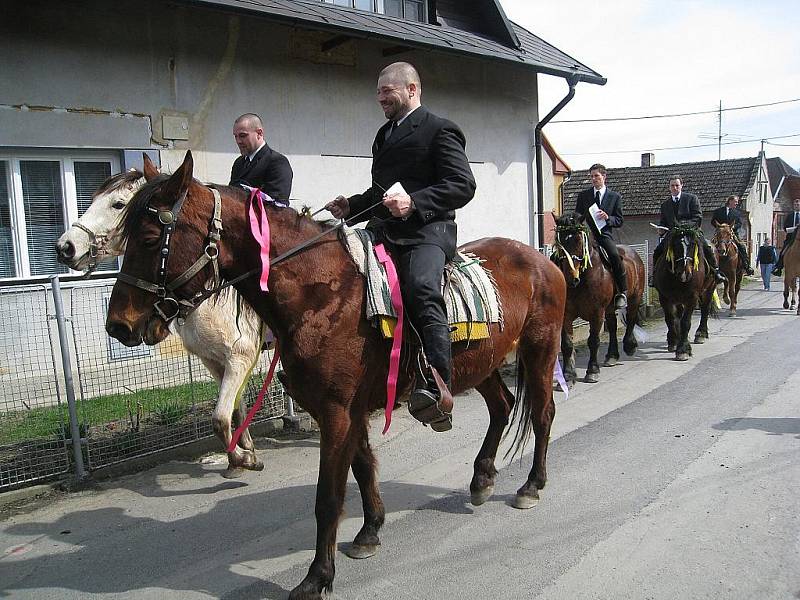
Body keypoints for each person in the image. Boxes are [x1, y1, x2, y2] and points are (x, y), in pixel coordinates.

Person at [326, 62, 476, 432]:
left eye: (387, 91)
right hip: (384, 229)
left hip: (427, 230)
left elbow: (463, 185)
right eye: (378, 92)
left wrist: (415, 201)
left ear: (411, 89)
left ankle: (439, 385)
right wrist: (355, 207)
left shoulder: (440, 129)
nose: (380, 98)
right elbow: (383, 193)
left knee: (421, 288)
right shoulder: (383, 135)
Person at [651, 176, 726, 285]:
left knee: (707, 247)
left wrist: (684, 226)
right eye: (672, 186)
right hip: (673, 234)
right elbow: (664, 221)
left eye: (677, 185)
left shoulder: (691, 199)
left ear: (681, 186)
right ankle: (654, 276)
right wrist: (661, 228)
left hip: (692, 232)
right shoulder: (665, 205)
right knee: (657, 251)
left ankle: (716, 271)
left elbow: (698, 217)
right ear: (669, 187)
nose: (675, 188)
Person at [572, 163, 627, 309]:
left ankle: (622, 291)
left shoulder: (614, 197)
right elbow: (577, 214)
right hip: (586, 234)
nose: (594, 179)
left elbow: (619, 220)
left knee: (614, 255)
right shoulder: (583, 196)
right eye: (592, 176)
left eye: (596, 176)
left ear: (604, 177)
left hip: (604, 235)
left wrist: (608, 217)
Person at [229, 113, 293, 201]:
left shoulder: (277, 162)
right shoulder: (239, 163)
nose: (238, 141)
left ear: (259, 133)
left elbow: (277, 207)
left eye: (243, 135)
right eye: (235, 136)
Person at [710, 195, 754, 275]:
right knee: (710, 246)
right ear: (730, 201)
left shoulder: (737, 213)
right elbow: (713, 221)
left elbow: (739, 223)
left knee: (742, 246)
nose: (736, 203)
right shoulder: (718, 211)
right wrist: (720, 227)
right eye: (735, 201)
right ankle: (710, 265)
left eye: (737, 202)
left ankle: (747, 266)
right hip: (720, 234)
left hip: (732, 234)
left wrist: (733, 227)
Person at [771, 197, 800, 276]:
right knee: (783, 252)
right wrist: (795, 228)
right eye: (795, 205)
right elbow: (785, 228)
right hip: (791, 238)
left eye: (798, 205)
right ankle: (778, 268)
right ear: (793, 206)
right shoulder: (790, 215)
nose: (797, 206)